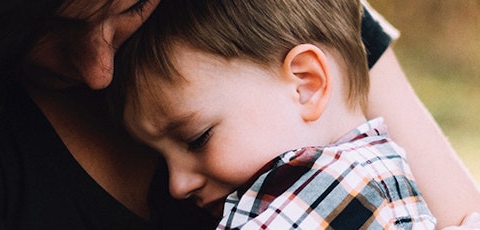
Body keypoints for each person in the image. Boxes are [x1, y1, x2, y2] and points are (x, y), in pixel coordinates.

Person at [0, 0, 480, 229]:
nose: (100, 69)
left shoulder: (279, 23)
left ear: (305, 81)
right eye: (46, 25)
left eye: (129, 6)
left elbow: (466, 215)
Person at [112, 0, 437, 228]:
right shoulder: (379, 172)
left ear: (305, 85)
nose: (176, 185)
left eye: (198, 139)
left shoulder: (330, 191)